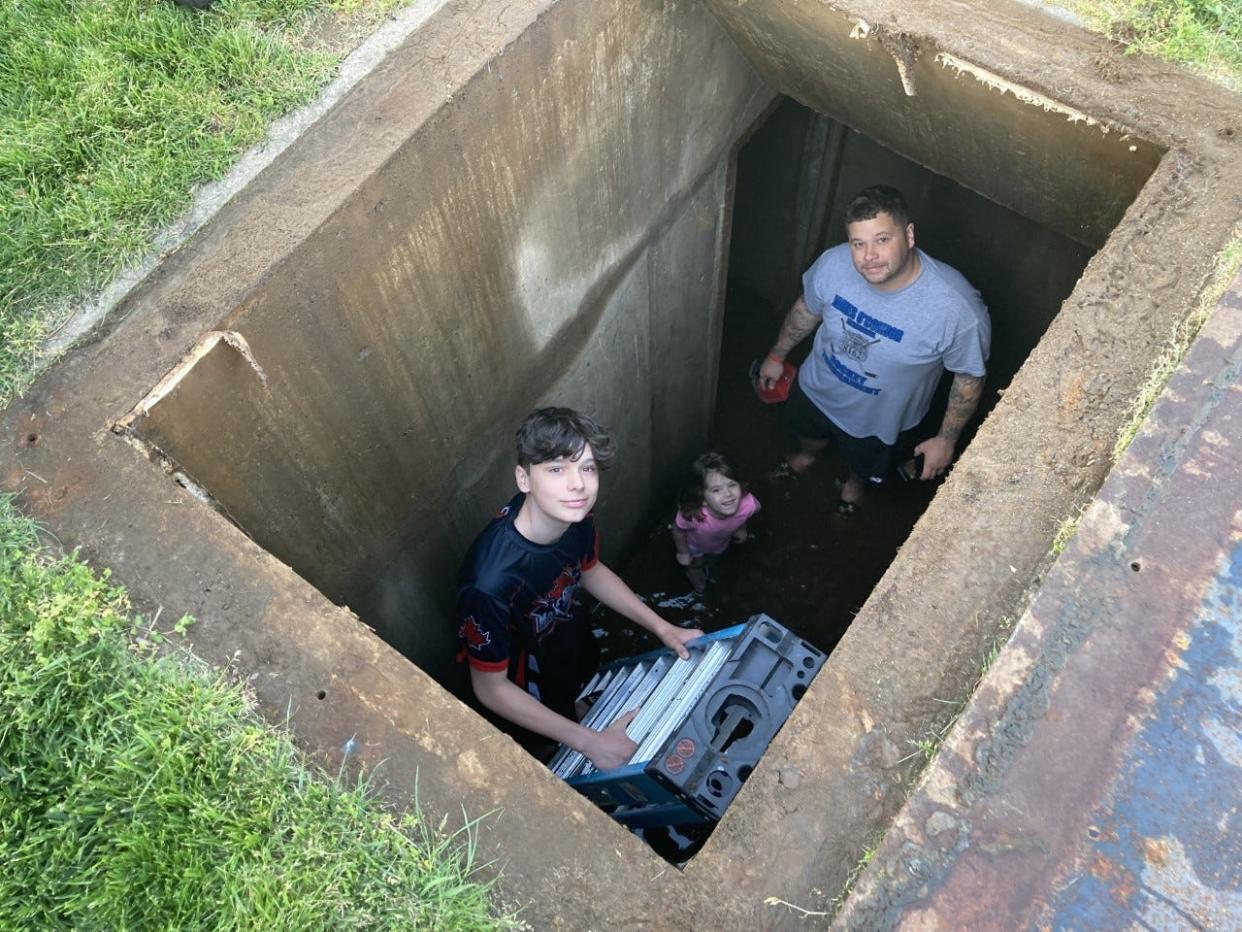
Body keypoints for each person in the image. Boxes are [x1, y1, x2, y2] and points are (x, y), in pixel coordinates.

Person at [456, 407, 704, 771]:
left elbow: (589, 570)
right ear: (523, 479)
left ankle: (576, 713)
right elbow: (491, 689)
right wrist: (590, 743)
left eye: (586, 467)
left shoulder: (574, 517)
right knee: (543, 745)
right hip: (523, 674)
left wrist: (663, 627)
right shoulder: (489, 582)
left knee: (577, 687)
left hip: (564, 630)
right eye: (556, 469)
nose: (579, 484)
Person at [757, 185, 990, 512]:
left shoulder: (956, 309)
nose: (869, 257)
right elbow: (806, 311)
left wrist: (946, 439)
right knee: (806, 434)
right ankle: (805, 457)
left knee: (864, 467)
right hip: (816, 390)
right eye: (858, 243)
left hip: (882, 424)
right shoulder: (834, 265)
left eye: (882, 240)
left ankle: (853, 487)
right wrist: (776, 356)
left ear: (909, 236)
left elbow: (968, 377)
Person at [670, 452, 760, 593]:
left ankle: (710, 569)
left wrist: (741, 529)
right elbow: (677, 529)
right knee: (695, 563)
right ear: (703, 498)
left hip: (720, 543)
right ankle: (697, 577)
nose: (728, 494)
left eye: (732, 485)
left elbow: (745, 515)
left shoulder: (747, 504)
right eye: (716, 490)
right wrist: (683, 552)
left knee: (714, 558)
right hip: (694, 545)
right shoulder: (694, 515)